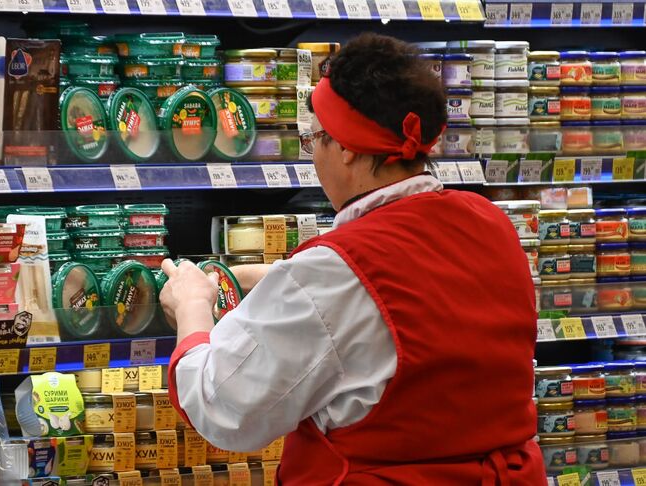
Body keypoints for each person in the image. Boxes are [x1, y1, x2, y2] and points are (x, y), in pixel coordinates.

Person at [159, 33, 546, 485]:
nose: (313, 155)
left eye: (314, 138)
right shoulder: (491, 223)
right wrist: (282, 279)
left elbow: (223, 406)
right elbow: (422, 301)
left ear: (344, 147)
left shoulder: (332, 273)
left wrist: (192, 307)